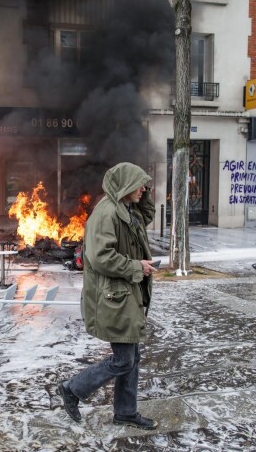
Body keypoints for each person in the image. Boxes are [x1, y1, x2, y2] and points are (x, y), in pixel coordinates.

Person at [57, 162, 158, 429]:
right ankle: (72, 388)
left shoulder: (124, 208)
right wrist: (137, 267)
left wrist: (143, 192)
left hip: (124, 296)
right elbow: (101, 257)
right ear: (125, 185)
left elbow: (144, 217)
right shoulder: (107, 212)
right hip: (114, 297)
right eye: (139, 184)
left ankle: (125, 411)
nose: (144, 189)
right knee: (124, 359)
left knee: (132, 357)